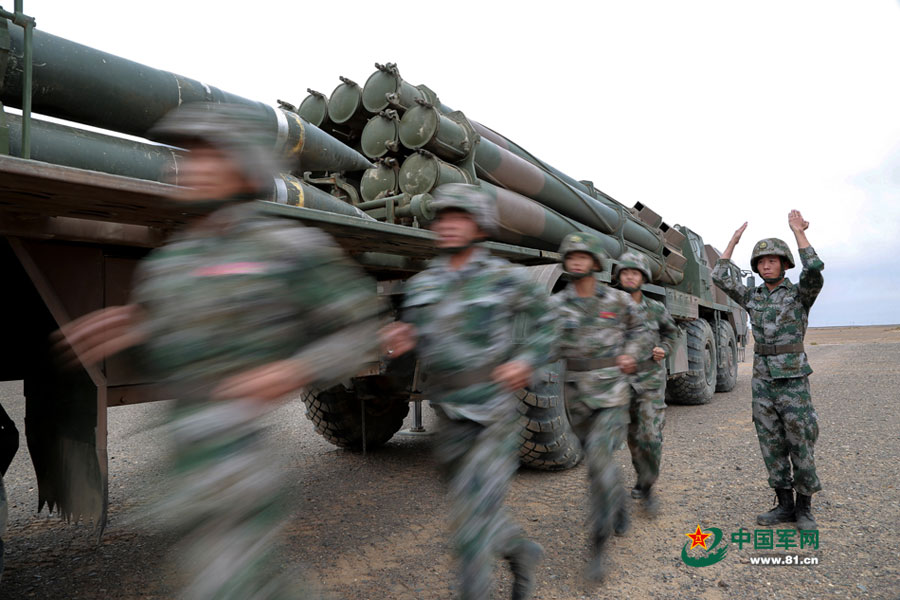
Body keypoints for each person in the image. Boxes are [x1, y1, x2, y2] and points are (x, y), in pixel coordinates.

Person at [58, 102, 382, 599]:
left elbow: (358, 329)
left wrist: (293, 370)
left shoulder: (288, 248)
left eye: (209, 155)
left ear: (241, 166)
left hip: (241, 466)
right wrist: (137, 324)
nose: (193, 166)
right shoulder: (170, 262)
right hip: (185, 466)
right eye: (188, 154)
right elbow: (171, 338)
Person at [380, 183, 555, 600]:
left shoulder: (504, 278)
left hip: (493, 417)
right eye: (443, 218)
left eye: (459, 217)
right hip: (450, 421)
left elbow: (549, 323)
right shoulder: (424, 285)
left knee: (469, 529)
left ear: (479, 226)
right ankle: (519, 549)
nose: (448, 225)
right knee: (475, 512)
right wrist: (402, 341)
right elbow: (414, 341)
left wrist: (526, 361)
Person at [712, 210, 823, 531]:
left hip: (792, 379)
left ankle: (804, 507)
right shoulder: (752, 296)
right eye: (761, 261)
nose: (766, 265)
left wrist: (799, 232)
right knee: (770, 442)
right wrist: (732, 242)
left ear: (785, 264)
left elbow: (814, 268)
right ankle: (784, 504)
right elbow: (720, 276)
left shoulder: (799, 295)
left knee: (800, 439)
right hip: (763, 381)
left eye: (772, 260)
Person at [549, 233, 641, 581]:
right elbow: (543, 343)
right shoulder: (558, 305)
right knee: (599, 463)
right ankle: (617, 499)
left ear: (595, 262)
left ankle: (598, 547)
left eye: (582, 255)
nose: (575, 260)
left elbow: (642, 331)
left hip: (612, 394)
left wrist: (632, 352)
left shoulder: (618, 300)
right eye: (570, 255)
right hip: (577, 400)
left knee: (598, 464)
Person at [613, 251, 678, 516]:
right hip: (621, 382)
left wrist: (664, 348)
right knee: (633, 436)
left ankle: (648, 486)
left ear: (643, 277)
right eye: (626, 272)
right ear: (619, 277)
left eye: (635, 273)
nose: (630, 276)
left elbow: (673, 332)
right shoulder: (611, 306)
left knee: (650, 435)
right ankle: (641, 476)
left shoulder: (655, 308)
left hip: (650, 380)